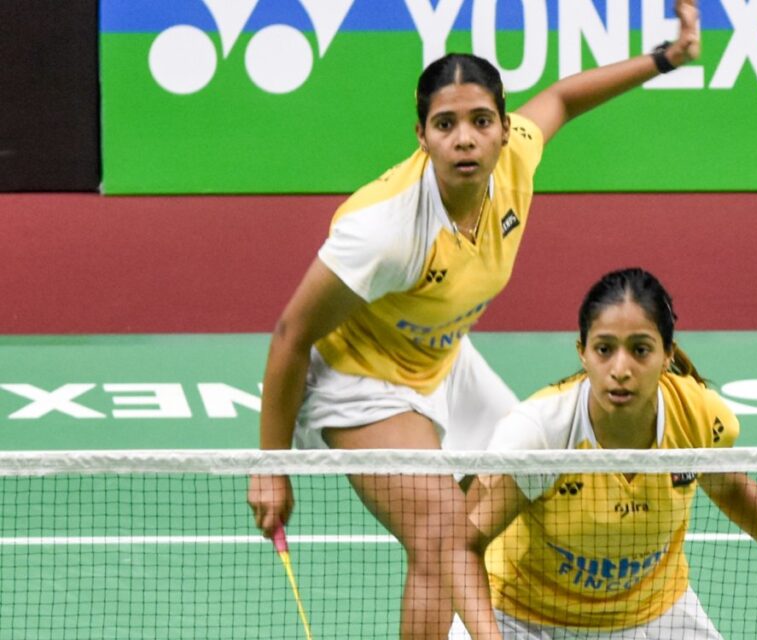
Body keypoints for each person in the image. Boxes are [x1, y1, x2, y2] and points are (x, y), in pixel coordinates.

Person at [246, 3, 702, 638]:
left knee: (527, 479)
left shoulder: (514, 160)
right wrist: (270, 467)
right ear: (422, 134)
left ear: (503, 127)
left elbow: (562, 98)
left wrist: (666, 58)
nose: (465, 138)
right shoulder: (383, 230)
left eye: (481, 121)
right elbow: (291, 334)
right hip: (363, 380)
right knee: (440, 535)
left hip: (443, 358)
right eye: (446, 124)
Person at [465, 268, 757, 639]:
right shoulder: (542, 434)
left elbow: (729, 487)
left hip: (651, 614)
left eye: (640, 350)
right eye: (604, 349)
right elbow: (464, 544)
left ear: (667, 355)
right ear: (583, 354)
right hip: (526, 618)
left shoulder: (698, 418)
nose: (620, 369)